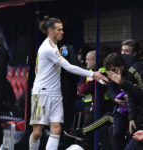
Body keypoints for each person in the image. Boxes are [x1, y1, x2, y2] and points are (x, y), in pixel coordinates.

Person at [29, 16, 108, 150]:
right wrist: (92, 74)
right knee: (37, 132)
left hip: (56, 93)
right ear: (50, 31)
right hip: (41, 93)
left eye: (62, 29)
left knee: (57, 129)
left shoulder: (54, 47)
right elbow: (69, 67)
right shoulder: (48, 48)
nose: (62, 32)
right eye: (59, 30)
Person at [104, 53, 143, 150]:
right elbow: (131, 95)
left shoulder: (134, 71)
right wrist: (132, 118)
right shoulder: (119, 75)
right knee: (116, 132)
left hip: (140, 112)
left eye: (113, 70)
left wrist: (123, 83)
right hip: (135, 112)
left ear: (121, 66)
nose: (112, 74)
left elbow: (140, 92)